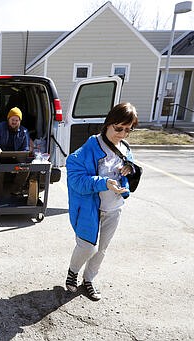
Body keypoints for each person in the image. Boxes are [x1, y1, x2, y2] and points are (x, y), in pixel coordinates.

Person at [64, 102, 139, 301]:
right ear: (108, 123)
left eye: (127, 130)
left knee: (102, 249)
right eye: (118, 128)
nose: (122, 134)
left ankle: (89, 280)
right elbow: (76, 180)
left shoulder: (125, 148)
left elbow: (130, 171)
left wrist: (129, 171)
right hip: (90, 208)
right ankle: (73, 272)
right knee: (88, 246)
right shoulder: (89, 148)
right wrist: (104, 183)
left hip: (114, 208)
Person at [0, 107, 30, 195]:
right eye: (12, 119)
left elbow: (25, 149)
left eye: (17, 120)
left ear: (20, 121)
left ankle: (15, 190)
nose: (14, 122)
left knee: (26, 168)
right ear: (8, 119)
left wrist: (20, 158)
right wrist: (2, 154)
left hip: (16, 160)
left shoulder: (24, 131)